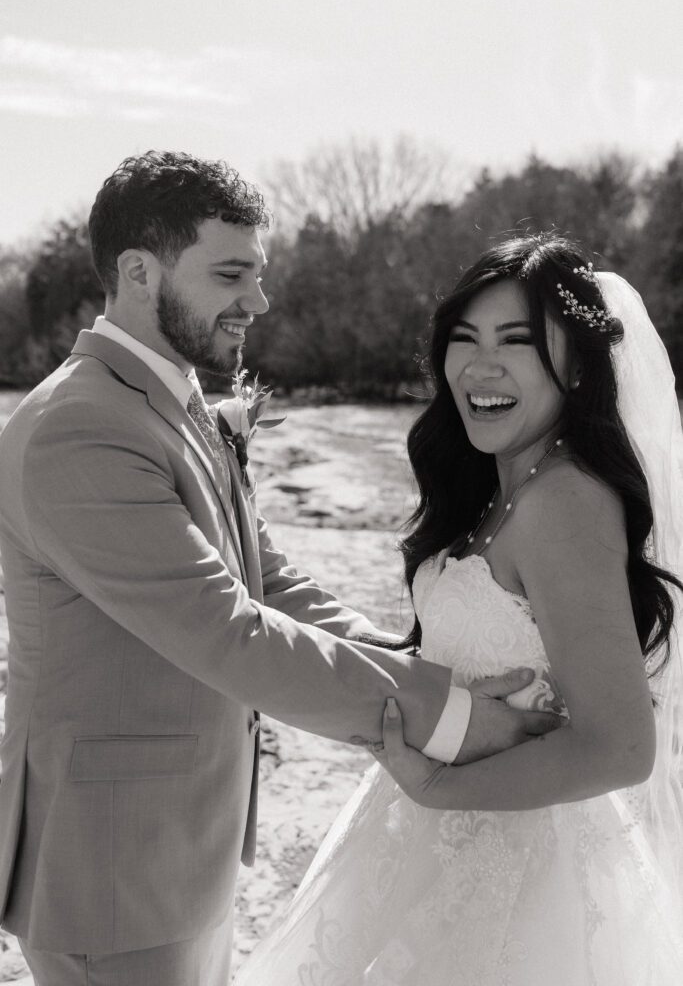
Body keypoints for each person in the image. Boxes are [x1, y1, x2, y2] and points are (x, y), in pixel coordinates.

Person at [0, 153, 557, 986]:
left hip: (185, 839)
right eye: (231, 274)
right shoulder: (78, 426)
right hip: (109, 859)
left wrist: (419, 668)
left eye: (259, 274)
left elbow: (266, 577)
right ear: (137, 272)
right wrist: (445, 718)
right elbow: (226, 629)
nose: (257, 301)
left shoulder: (170, 398)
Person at [235, 234, 683, 985]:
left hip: (520, 863)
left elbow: (619, 748)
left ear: (575, 365)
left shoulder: (565, 500)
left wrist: (442, 789)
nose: (479, 365)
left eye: (516, 341)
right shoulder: (498, 487)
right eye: (462, 339)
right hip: (435, 834)